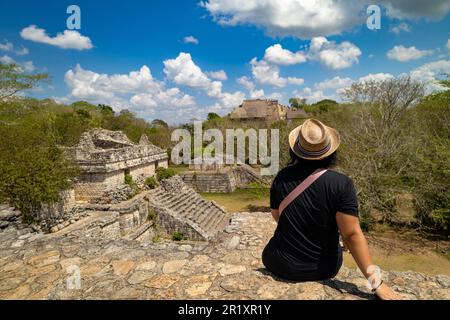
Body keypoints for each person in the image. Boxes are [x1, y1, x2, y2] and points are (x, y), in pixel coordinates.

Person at [262, 119, 401, 300]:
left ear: (295, 149)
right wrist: (377, 283)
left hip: (278, 262)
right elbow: (351, 235)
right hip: (322, 268)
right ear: (330, 151)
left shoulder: (281, 177)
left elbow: (278, 216)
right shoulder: (341, 184)